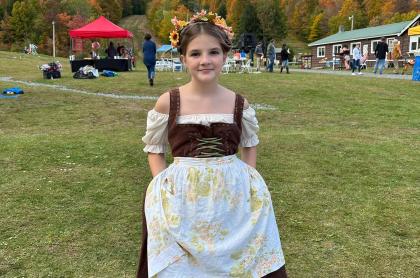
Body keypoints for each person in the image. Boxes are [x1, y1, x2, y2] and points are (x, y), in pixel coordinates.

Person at [137, 10, 287, 278]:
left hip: (232, 194)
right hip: (182, 195)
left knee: (234, 260)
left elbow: (249, 143)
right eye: (195, 54)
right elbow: (154, 147)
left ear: (225, 56)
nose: (205, 60)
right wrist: (161, 186)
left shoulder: (239, 103)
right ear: (183, 58)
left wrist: (250, 180)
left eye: (213, 52)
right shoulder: (168, 102)